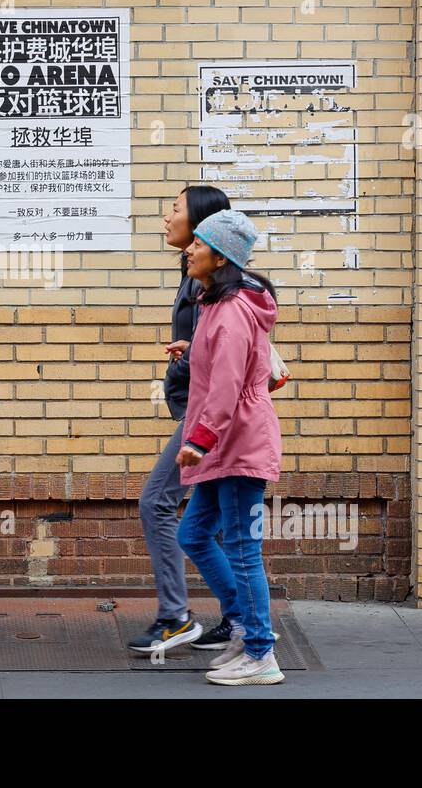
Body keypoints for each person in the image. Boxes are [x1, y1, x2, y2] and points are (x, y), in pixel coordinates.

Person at [174, 209, 285, 685]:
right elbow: (222, 365)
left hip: (235, 444)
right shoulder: (215, 303)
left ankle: (261, 653)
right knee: (193, 535)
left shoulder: (234, 309)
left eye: (197, 243)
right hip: (225, 442)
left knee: (242, 549)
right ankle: (244, 627)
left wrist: (198, 439)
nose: (188, 249)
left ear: (220, 256)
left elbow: (227, 385)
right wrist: (191, 352)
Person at [126, 186, 230, 655]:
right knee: (209, 521)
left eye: (175, 210)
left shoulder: (210, 281)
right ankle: (240, 620)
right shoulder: (195, 275)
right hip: (201, 409)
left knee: (157, 503)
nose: (167, 218)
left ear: (201, 224)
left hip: (204, 413)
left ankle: (175, 617)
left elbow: (224, 344)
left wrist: (189, 358)